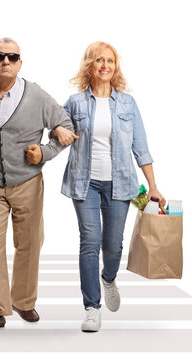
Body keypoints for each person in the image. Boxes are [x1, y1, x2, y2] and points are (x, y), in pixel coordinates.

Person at [0, 38, 73, 332]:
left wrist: (44, 152)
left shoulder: (37, 96)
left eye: (12, 56)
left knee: (30, 243)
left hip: (27, 182)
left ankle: (23, 300)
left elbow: (67, 128)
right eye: (0, 56)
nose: (6, 61)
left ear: (20, 63)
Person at [51, 42, 166, 332]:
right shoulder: (75, 102)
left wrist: (153, 185)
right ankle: (92, 307)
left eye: (110, 61)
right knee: (89, 242)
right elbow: (55, 127)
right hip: (84, 182)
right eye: (99, 60)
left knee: (112, 246)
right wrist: (55, 131)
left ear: (115, 67)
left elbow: (141, 147)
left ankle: (109, 278)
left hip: (120, 184)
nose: (105, 65)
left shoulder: (127, 103)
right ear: (89, 65)